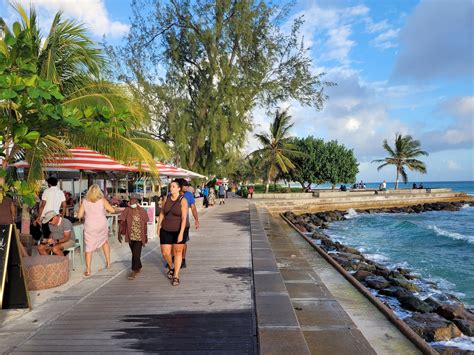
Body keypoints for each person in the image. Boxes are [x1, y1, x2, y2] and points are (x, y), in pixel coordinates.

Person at [77, 184, 116, 277]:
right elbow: (112, 210)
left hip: (90, 226)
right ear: (99, 192)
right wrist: (105, 212)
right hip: (101, 224)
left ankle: (88, 270)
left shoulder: (85, 201)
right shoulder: (102, 200)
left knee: (89, 247)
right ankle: (108, 263)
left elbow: (79, 216)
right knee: (104, 242)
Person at [157, 180, 188, 286]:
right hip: (166, 228)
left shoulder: (183, 200)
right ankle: (172, 266)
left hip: (179, 229)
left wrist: (181, 233)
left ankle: (176, 276)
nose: (171, 188)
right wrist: (158, 227)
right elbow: (162, 213)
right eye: (170, 186)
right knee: (165, 253)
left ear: (179, 189)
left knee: (178, 252)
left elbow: (184, 218)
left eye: (174, 186)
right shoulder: (166, 199)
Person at [118, 197, 149, 280]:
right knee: (134, 253)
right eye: (131, 202)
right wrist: (119, 233)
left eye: (134, 202)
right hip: (130, 236)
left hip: (139, 236)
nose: (133, 203)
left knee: (135, 253)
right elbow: (121, 221)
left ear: (137, 202)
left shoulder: (142, 211)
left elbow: (145, 223)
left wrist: (145, 235)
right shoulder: (127, 210)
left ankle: (133, 271)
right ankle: (139, 265)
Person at [176, 179, 199, 269]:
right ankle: (173, 258)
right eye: (185, 186)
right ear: (180, 187)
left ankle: (183, 259)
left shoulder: (188, 195)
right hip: (173, 223)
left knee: (183, 242)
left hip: (185, 223)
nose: (187, 187)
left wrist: (196, 219)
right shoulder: (171, 194)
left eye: (187, 185)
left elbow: (193, 208)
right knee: (173, 242)